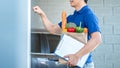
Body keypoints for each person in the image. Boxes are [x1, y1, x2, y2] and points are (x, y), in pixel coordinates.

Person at [33, 0, 102, 68]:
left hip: (84, 65)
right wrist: (42, 14)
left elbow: (96, 39)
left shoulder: (89, 15)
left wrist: (77, 56)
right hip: (70, 63)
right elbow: (53, 29)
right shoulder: (71, 17)